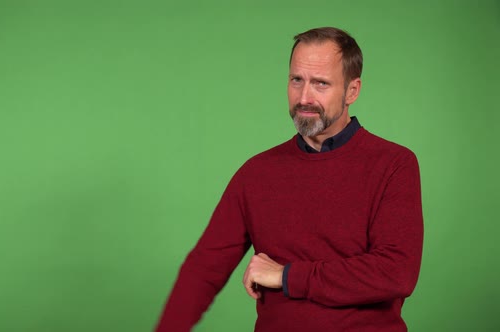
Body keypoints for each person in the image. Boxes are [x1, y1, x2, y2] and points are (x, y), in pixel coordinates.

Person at [155, 27, 423, 332]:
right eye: (297, 80)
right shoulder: (257, 173)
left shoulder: (393, 164)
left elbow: (395, 273)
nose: (304, 97)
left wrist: (286, 277)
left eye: (321, 83)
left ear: (352, 90)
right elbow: (203, 269)